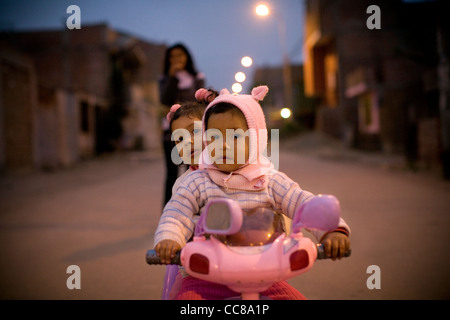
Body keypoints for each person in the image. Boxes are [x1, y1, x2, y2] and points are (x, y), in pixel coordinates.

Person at [153, 85, 351, 300]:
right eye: (214, 138)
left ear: (256, 139)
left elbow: (303, 203)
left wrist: (333, 231)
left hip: (265, 275)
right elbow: (176, 213)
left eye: (235, 137)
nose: (223, 146)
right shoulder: (195, 182)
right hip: (205, 277)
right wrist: (170, 239)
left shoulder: (270, 180)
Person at [159, 43, 205, 206]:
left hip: (193, 133)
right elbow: (165, 100)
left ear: (187, 57)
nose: (177, 59)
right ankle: (168, 212)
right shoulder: (164, 79)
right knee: (171, 175)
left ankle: (192, 209)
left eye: (180, 55)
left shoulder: (197, 77)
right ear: (168, 59)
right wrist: (172, 77)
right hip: (170, 133)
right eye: (173, 56)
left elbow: (200, 104)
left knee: (192, 171)